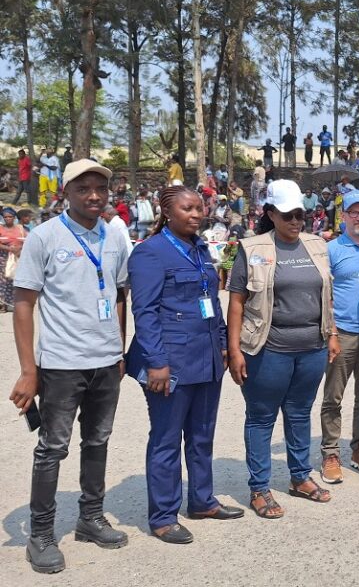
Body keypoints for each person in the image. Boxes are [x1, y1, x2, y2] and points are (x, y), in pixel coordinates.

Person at [9, 160, 131, 573]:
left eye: (101, 187)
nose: (94, 195)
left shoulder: (113, 235)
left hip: (105, 361)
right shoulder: (44, 237)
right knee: (52, 448)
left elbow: (117, 293)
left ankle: (90, 518)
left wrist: (118, 345)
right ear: (66, 192)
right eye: (84, 189)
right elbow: (24, 304)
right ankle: (40, 534)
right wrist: (29, 369)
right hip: (61, 364)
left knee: (98, 441)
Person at [125, 186, 243, 544]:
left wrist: (223, 345)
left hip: (206, 359)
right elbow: (144, 312)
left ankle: (202, 501)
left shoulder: (201, 249)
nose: (196, 214)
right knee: (165, 439)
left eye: (200, 208)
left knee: (202, 434)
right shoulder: (150, 253)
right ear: (167, 211)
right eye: (187, 209)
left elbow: (212, 301)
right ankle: (162, 516)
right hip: (170, 362)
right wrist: (157, 362)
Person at [227, 179, 340, 518]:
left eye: (300, 216)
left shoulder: (317, 245)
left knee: (299, 413)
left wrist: (331, 333)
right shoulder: (253, 249)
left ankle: (299, 477)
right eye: (288, 215)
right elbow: (236, 302)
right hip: (267, 350)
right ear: (271, 214)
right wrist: (234, 350)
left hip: (311, 348)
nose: (295, 222)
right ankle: (259, 488)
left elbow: (326, 295)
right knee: (261, 418)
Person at [319, 190, 359, 483]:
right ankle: (331, 451)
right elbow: (322, 295)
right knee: (333, 396)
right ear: (343, 216)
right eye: (354, 212)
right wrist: (330, 330)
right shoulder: (331, 249)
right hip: (342, 332)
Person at [0, 206, 27, 311]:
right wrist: (8, 248)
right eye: (5, 217)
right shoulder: (1, 228)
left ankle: (12, 303)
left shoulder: (20, 228)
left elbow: (27, 240)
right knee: (3, 281)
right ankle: (2, 304)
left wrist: (19, 248)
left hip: (17, 257)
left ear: (14, 217)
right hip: (3, 259)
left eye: (10, 217)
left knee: (14, 279)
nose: (8, 219)